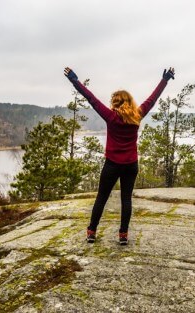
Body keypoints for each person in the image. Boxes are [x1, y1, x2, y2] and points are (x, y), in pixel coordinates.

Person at [64, 66, 175, 245]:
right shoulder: (137, 115)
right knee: (126, 199)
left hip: (112, 164)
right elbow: (153, 99)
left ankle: (91, 231)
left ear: (114, 103)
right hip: (131, 165)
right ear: (130, 101)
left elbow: (91, 99)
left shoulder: (110, 117)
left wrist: (74, 81)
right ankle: (123, 235)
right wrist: (165, 80)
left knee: (102, 197)